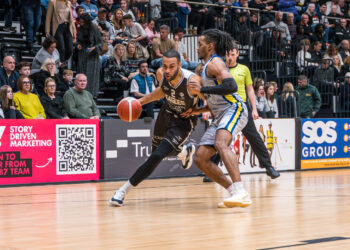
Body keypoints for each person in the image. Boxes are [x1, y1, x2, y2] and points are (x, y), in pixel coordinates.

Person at [109, 50, 200, 207]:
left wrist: (197, 111)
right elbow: (160, 92)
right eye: (165, 66)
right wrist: (139, 102)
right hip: (166, 114)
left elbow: (212, 102)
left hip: (183, 122)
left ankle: (122, 191)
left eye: (172, 67)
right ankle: (183, 151)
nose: (167, 70)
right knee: (157, 153)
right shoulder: (161, 74)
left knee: (156, 156)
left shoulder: (192, 82)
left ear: (179, 65)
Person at [187, 29, 252, 208]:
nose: (197, 47)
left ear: (210, 46)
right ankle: (233, 192)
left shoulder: (215, 62)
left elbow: (230, 86)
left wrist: (202, 90)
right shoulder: (206, 67)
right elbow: (216, 100)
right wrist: (198, 110)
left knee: (221, 143)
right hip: (221, 113)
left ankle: (240, 191)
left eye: (200, 44)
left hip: (234, 108)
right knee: (200, 158)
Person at [225, 46, 279, 178]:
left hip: (242, 108)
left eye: (232, 54)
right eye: (228, 55)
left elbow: (250, 90)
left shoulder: (244, 69)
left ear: (237, 54)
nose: (230, 57)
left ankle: (268, 167)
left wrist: (254, 109)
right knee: (222, 139)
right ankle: (211, 168)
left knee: (254, 138)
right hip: (226, 108)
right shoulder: (221, 69)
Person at [76, 13, 104, 98]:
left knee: (92, 76)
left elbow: (100, 43)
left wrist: (94, 48)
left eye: (82, 22)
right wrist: (78, 44)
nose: (80, 24)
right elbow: (78, 40)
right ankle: (81, 93)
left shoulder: (94, 28)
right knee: (82, 73)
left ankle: (92, 95)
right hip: (82, 54)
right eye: (80, 22)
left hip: (92, 55)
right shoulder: (81, 28)